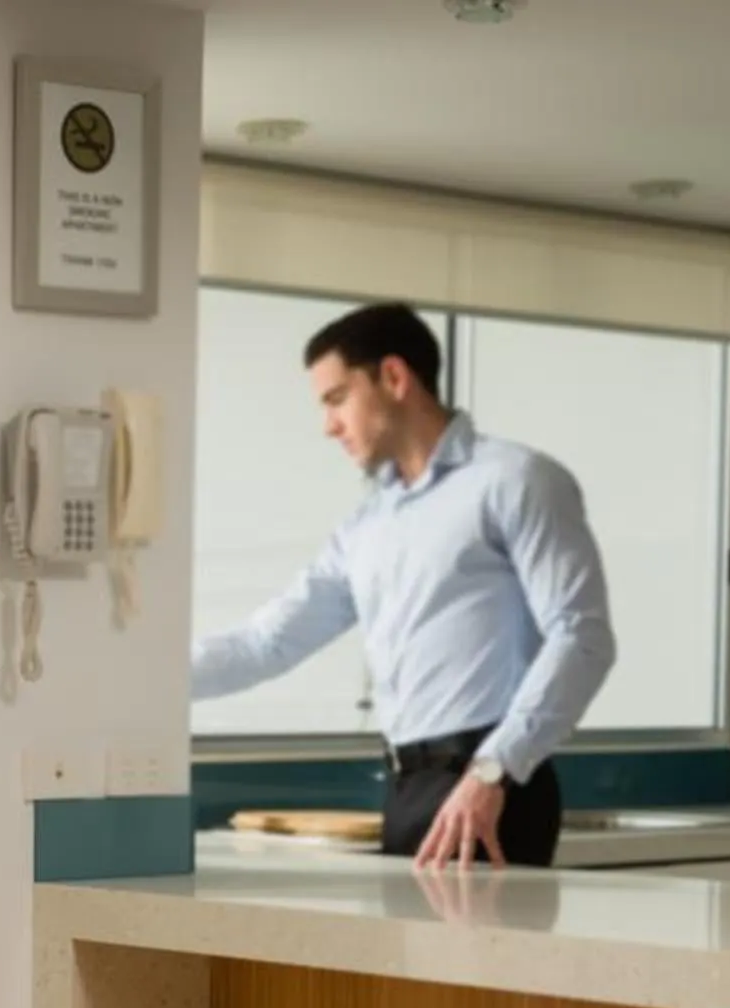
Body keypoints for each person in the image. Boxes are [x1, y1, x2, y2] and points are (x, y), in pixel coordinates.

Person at [195, 303, 616, 869]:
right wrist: (135, 682)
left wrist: (492, 771)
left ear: (394, 378)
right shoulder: (368, 526)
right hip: (407, 790)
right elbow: (264, 643)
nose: (329, 426)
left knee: (474, 961)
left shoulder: (514, 481)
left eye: (337, 399)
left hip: (492, 785)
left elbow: (582, 637)